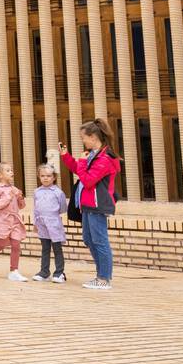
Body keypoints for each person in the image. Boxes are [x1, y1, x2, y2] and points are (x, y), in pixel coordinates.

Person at [61, 118, 121, 291]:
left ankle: (104, 278)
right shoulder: (95, 155)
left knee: (100, 241)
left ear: (93, 137)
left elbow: (87, 180)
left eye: (84, 138)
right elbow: (79, 170)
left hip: (98, 205)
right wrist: (66, 156)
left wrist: (81, 162)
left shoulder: (105, 158)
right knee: (89, 239)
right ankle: (100, 275)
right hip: (87, 204)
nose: (83, 141)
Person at [32, 164, 68, 283]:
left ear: (54, 177)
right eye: (42, 176)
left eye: (48, 176)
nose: (45, 178)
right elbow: (36, 209)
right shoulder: (37, 192)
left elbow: (62, 208)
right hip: (41, 224)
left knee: (57, 248)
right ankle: (44, 272)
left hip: (54, 224)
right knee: (45, 248)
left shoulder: (58, 192)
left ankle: (59, 273)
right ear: (39, 177)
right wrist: (35, 223)